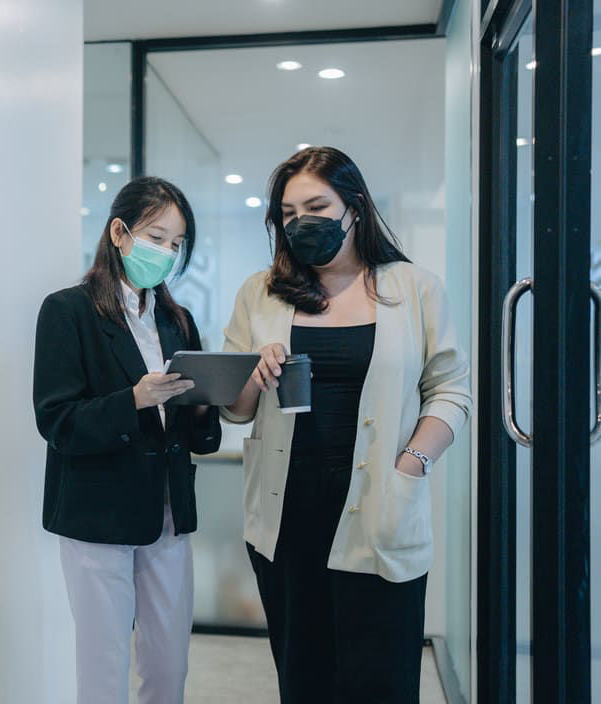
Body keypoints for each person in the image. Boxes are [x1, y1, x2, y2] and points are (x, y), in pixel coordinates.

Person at [222, 147, 472, 703]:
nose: (301, 223)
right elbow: (235, 409)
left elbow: (451, 390)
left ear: (354, 208)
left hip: (380, 503)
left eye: (316, 207)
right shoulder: (260, 292)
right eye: (288, 214)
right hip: (287, 512)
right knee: (304, 678)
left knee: (382, 679)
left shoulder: (415, 288)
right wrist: (254, 372)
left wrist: (414, 462)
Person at [33, 176, 221, 704]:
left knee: (169, 665)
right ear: (119, 233)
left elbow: (196, 433)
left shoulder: (177, 320)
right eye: (156, 237)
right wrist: (134, 399)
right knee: (104, 663)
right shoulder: (68, 311)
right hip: (98, 515)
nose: (166, 253)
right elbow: (57, 421)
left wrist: (204, 402)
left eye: (176, 244)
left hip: (167, 513)